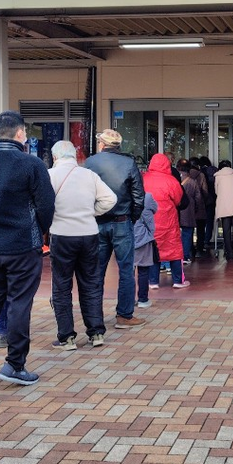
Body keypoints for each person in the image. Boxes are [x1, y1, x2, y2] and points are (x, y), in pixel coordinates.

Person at [0, 111, 55, 386]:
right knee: (19, 302)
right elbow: (46, 206)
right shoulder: (32, 164)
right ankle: (15, 364)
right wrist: (40, 230)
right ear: (20, 134)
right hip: (22, 244)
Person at [47, 140, 117, 350]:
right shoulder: (89, 175)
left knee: (61, 286)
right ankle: (96, 333)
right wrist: (91, 212)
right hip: (89, 234)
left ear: (55, 157)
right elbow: (110, 199)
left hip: (61, 235)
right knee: (91, 284)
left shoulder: (49, 175)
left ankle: (67, 337)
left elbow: (40, 204)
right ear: (75, 156)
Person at [84, 128, 147, 329]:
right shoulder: (129, 163)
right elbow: (139, 196)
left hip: (97, 222)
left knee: (96, 272)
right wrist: (131, 218)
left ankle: (95, 317)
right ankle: (124, 315)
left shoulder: (90, 163)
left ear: (102, 144)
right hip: (122, 221)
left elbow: (84, 193)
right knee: (126, 270)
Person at [142, 153, 189, 288]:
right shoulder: (171, 181)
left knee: (153, 249)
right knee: (174, 249)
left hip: (149, 220)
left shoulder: (144, 179)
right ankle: (178, 281)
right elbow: (179, 200)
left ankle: (153, 281)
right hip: (168, 220)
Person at [133, 192, 159, 308]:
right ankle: (143, 300)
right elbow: (154, 208)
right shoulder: (147, 197)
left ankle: (128, 301)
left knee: (127, 272)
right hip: (142, 237)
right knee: (143, 270)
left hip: (125, 238)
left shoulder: (122, 195)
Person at [176, 158, 204, 265]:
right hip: (188, 210)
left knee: (175, 235)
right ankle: (185, 256)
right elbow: (198, 198)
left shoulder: (174, 180)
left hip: (175, 210)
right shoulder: (192, 182)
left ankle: (175, 256)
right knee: (187, 233)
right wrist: (196, 208)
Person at [197, 156, 218, 254]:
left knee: (201, 222)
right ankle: (207, 240)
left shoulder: (199, 172)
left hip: (201, 200)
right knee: (210, 221)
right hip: (212, 199)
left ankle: (200, 242)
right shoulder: (214, 171)